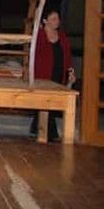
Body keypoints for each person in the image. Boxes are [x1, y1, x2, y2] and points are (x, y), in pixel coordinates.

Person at [32, 9, 76, 141]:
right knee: (46, 102)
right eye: (53, 19)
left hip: (58, 73)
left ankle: (38, 129)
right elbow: (34, 55)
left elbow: (67, 56)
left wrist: (70, 71)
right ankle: (50, 134)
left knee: (53, 102)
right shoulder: (39, 35)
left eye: (57, 19)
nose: (57, 21)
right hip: (43, 74)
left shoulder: (62, 36)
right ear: (45, 21)